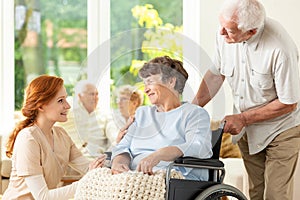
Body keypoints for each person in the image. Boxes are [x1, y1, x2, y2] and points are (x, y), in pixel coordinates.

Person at [192, 0, 300, 199]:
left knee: (275, 195)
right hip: (249, 131)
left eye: (229, 30)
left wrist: (242, 118)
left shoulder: (279, 49)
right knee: (255, 192)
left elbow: (289, 102)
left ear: (251, 31)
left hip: (281, 130)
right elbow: (216, 74)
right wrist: (192, 109)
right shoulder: (224, 35)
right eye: (221, 26)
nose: (222, 33)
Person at [3, 75, 106, 200]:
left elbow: (88, 167)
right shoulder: (28, 139)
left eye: (66, 99)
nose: (68, 106)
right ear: (41, 106)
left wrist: (115, 162)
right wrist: (86, 183)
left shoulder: (61, 134)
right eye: (60, 100)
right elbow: (43, 197)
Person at [111, 56, 212, 180]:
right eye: (144, 84)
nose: (146, 90)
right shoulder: (142, 113)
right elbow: (123, 147)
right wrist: (119, 163)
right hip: (133, 176)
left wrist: (159, 155)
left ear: (171, 81)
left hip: (173, 179)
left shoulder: (194, 113)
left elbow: (198, 146)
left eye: (150, 82)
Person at [58, 80, 115, 157]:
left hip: (97, 158)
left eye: (97, 94)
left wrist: (108, 157)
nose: (95, 97)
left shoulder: (104, 114)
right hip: (73, 158)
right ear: (80, 96)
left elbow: (114, 137)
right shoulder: (69, 111)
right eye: (91, 94)